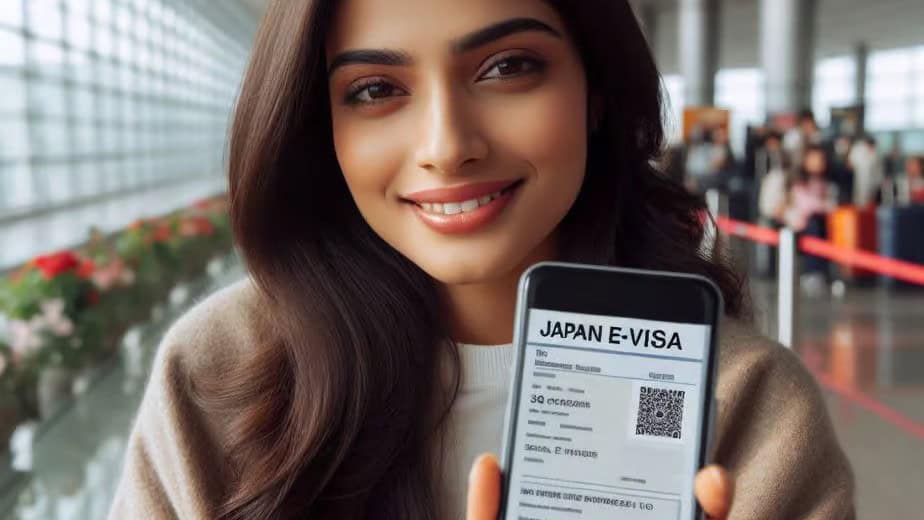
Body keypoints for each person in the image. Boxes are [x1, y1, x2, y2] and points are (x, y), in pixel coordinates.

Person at [108, 1, 855, 519]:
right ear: (317, 126)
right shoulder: (218, 372)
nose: (446, 144)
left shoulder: (746, 405)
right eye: (374, 89)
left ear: (595, 90)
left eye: (507, 67)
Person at [784, 145, 839, 297]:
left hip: (819, 221)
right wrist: (826, 207)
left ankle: (826, 273)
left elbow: (831, 203)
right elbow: (807, 205)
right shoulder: (799, 181)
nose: (819, 162)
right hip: (801, 224)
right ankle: (812, 273)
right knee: (814, 226)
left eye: (821, 159)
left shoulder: (825, 182)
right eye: (815, 159)